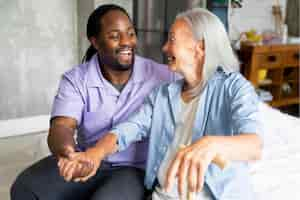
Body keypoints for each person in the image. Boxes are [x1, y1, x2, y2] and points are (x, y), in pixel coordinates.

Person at [69, 8, 264, 200]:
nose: (164, 48)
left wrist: (211, 144)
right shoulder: (162, 94)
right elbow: (128, 129)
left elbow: (254, 146)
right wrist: (96, 152)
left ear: (201, 47)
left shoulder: (234, 87)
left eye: (172, 39)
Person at [10, 4, 177, 200]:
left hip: (133, 169)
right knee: (25, 188)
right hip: (86, 158)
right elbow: (62, 126)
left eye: (130, 34)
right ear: (95, 42)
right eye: (115, 36)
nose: (126, 42)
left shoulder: (163, 77)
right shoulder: (76, 79)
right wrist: (69, 155)